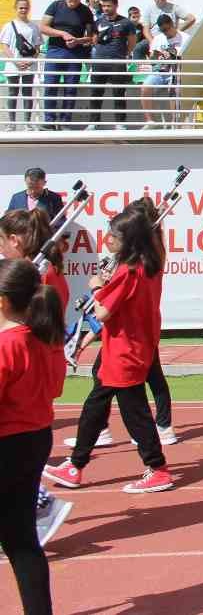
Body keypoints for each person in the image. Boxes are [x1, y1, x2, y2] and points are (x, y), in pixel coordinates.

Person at [42, 206, 173, 496]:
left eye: (114, 235)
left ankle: (158, 467)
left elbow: (102, 312)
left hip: (126, 349)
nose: (108, 239)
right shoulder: (151, 263)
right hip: (128, 346)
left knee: (134, 412)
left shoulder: (129, 271)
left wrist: (97, 286)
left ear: (130, 239)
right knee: (95, 405)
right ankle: (76, 465)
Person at [0, 254, 67, 615]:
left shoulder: (7, 345)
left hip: (7, 444)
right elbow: (55, 387)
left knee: (20, 540)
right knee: (22, 541)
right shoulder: (47, 340)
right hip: (35, 439)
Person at [38, 0, 93, 130]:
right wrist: (62, 33)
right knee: (50, 86)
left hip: (74, 53)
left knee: (70, 88)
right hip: (55, 51)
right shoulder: (55, 6)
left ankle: (65, 121)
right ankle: (49, 121)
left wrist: (77, 40)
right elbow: (43, 27)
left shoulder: (86, 11)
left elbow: (91, 37)